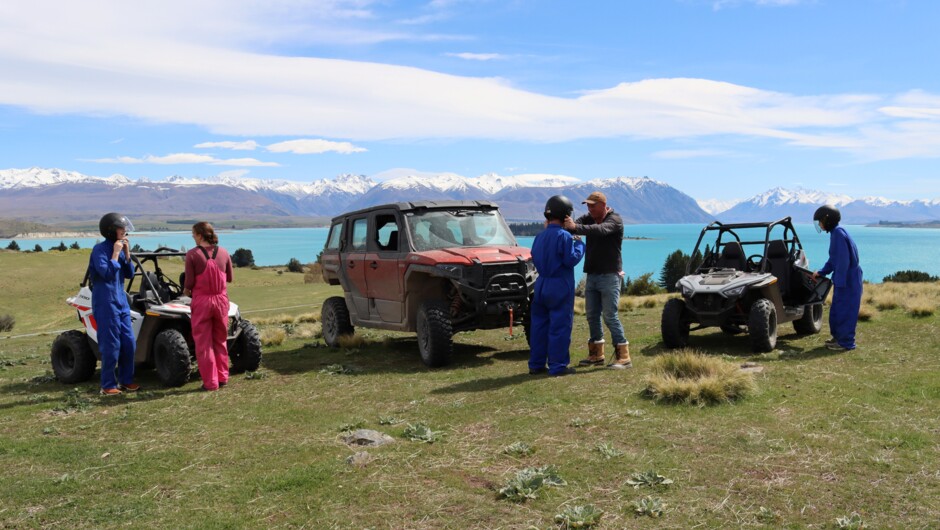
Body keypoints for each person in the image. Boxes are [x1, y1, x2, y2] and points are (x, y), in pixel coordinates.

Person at [563, 191, 632, 369]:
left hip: (610, 275)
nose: (590, 208)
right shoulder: (589, 217)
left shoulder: (614, 220)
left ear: (603, 204)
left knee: (610, 316)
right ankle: (596, 355)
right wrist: (567, 225)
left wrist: (574, 228)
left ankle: (624, 357)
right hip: (592, 275)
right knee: (592, 315)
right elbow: (575, 225)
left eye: (593, 205)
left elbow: (600, 231)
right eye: (588, 205)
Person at [529, 195, 585, 376]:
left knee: (539, 326)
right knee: (560, 325)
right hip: (559, 284)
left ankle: (536, 365)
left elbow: (534, 257)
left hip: (541, 283)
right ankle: (558, 366)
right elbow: (571, 260)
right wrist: (579, 244)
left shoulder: (539, 237)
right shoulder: (564, 236)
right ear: (566, 215)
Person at [89, 212, 139, 395]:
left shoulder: (120, 247)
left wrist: (126, 254)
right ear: (111, 230)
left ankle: (126, 380)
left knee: (129, 343)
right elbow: (107, 273)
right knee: (111, 345)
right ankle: (108, 385)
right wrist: (116, 254)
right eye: (121, 228)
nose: (124, 231)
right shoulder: (100, 250)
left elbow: (130, 274)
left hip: (121, 302)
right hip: (105, 303)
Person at [184, 222, 234, 390]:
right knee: (220, 340)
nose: (192, 237)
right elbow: (230, 278)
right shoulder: (224, 252)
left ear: (199, 235)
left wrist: (186, 291)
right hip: (221, 300)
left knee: (204, 344)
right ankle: (223, 377)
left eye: (193, 234)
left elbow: (189, 282)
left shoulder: (192, 254)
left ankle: (210, 382)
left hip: (202, 301)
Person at [812, 205, 862, 351]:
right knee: (838, 310)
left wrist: (840, 280)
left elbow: (842, 261)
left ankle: (846, 342)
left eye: (820, 221)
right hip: (845, 276)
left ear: (827, 219)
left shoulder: (838, 234)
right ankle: (838, 338)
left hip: (847, 278)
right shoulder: (837, 232)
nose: (820, 225)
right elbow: (834, 259)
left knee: (845, 310)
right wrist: (822, 272)